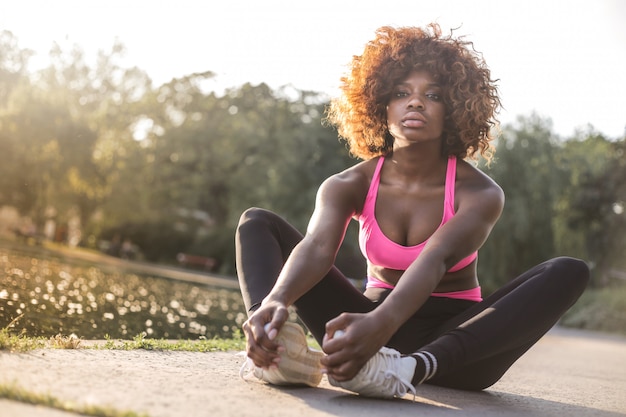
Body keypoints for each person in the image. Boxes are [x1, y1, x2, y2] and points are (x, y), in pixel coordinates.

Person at [236, 24, 589, 398]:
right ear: (380, 104)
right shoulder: (347, 184)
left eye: (433, 95)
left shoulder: (479, 192)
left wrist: (382, 327)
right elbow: (318, 248)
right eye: (401, 93)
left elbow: (435, 258)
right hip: (363, 326)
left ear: (453, 109)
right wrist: (276, 299)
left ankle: (405, 370)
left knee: (568, 270)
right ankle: (273, 345)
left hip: (453, 348)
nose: (416, 102)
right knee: (257, 222)